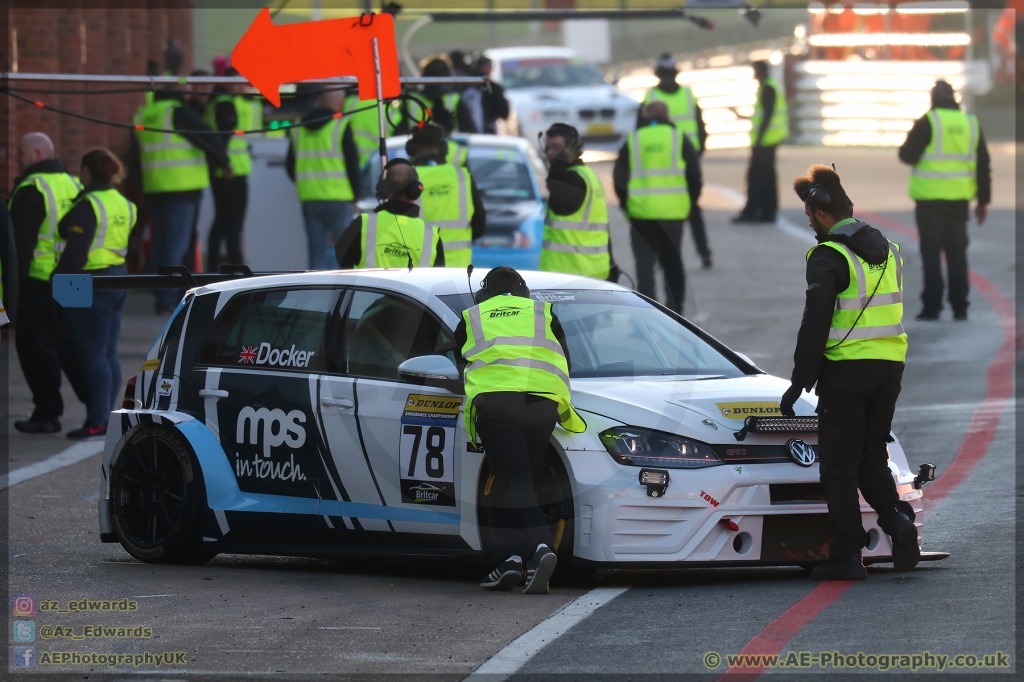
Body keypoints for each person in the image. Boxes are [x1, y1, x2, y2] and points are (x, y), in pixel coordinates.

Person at [780, 164, 918, 581]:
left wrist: (799, 381)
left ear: (822, 213)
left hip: (847, 373)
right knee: (871, 457)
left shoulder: (829, 255)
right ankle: (896, 522)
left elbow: (816, 321)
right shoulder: (889, 249)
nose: (810, 225)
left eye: (809, 217)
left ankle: (846, 554)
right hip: (889, 367)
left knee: (838, 466)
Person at [454, 266, 586, 593]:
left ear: (483, 294)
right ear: (525, 292)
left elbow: (461, 365)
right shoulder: (543, 313)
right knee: (517, 480)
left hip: (498, 405)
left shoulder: (472, 317)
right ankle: (507, 562)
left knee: (513, 480)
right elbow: (564, 359)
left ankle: (540, 548)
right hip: (542, 405)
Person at [8, 132, 88, 434]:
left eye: (21, 154)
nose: (18, 160)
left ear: (37, 154)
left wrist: (13, 290)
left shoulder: (31, 188)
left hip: (39, 282)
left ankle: (47, 413)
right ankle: (97, 408)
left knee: (36, 348)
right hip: (75, 279)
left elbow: (19, 246)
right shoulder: (74, 184)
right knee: (74, 344)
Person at [55, 149, 138, 439]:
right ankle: (105, 416)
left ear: (88, 172)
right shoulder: (125, 203)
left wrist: (58, 285)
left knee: (91, 354)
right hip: (118, 278)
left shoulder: (90, 204)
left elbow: (74, 252)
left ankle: (99, 419)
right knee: (107, 351)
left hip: (89, 281)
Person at [131, 85, 230, 314]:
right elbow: (206, 136)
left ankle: (161, 291)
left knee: (161, 243)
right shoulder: (177, 112)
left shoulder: (145, 113)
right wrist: (223, 161)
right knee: (177, 245)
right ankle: (168, 299)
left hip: (155, 186)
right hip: (182, 187)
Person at [898, 79, 991, 321]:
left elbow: (906, 155)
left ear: (934, 99)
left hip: (929, 200)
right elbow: (983, 165)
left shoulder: (928, 121)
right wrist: (983, 200)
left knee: (931, 254)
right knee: (957, 254)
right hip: (959, 201)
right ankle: (960, 306)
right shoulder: (971, 123)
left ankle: (932, 307)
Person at [613, 101, 702, 315]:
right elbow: (695, 176)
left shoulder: (633, 140)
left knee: (644, 267)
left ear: (645, 116)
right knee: (672, 264)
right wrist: (689, 203)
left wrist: (626, 206)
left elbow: (619, 177)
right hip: (673, 214)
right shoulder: (679, 138)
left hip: (641, 214)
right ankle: (675, 311)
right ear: (668, 115)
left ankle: (648, 313)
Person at [641, 54, 712, 269]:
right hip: (686, 164)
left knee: (655, 212)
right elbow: (702, 130)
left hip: (657, 164)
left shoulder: (650, 96)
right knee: (693, 211)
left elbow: (639, 133)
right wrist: (696, 156)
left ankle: (655, 257)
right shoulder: (688, 96)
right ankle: (705, 254)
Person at [286, 89, 361, 270]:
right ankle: (345, 290)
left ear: (320, 100)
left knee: (316, 250)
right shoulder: (341, 126)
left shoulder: (298, 127)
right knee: (344, 251)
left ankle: (315, 291)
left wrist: (306, 183)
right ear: (341, 101)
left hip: (310, 198)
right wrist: (356, 196)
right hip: (339, 198)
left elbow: (289, 165)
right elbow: (353, 164)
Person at [334, 159, 444, 269]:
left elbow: (342, 259)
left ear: (384, 189)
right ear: (415, 190)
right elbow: (437, 277)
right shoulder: (431, 236)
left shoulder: (363, 224)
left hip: (369, 286)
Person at [541, 123, 616, 281]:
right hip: (593, 273)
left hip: (569, 277)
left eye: (557, 148)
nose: (550, 153)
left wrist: (560, 162)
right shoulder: (589, 176)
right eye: (548, 148)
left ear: (571, 150)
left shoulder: (575, 181)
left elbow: (556, 185)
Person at [406, 124, 486, 268]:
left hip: (421, 271)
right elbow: (479, 226)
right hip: (460, 270)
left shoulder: (408, 178)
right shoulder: (462, 176)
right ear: (444, 148)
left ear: (411, 149)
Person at [205, 67, 255, 271]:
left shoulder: (216, 103)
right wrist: (225, 163)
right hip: (231, 171)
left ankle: (214, 267)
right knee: (233, 224)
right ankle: (236, 270)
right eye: (239, 81)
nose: (243, 86)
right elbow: (224, 136)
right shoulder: (226, 104)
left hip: (225, 170)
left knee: (221, 221)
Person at [733, 61, 788, 224]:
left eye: (755, 71)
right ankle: (767, 211)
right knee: (767, 177)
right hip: (768, 140)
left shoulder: (768, 88)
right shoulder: (769, 87)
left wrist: (759, 140)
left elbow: (767, 116)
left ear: (762, 71)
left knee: (756, 177)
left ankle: (752, 211)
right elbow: (762, 115)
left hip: (765, 141)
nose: (754, 74)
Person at [477, 56, 510, 135]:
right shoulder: (494, 88)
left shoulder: (468, 86)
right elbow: (503, 112)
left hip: (470, 130)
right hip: (488, 129)